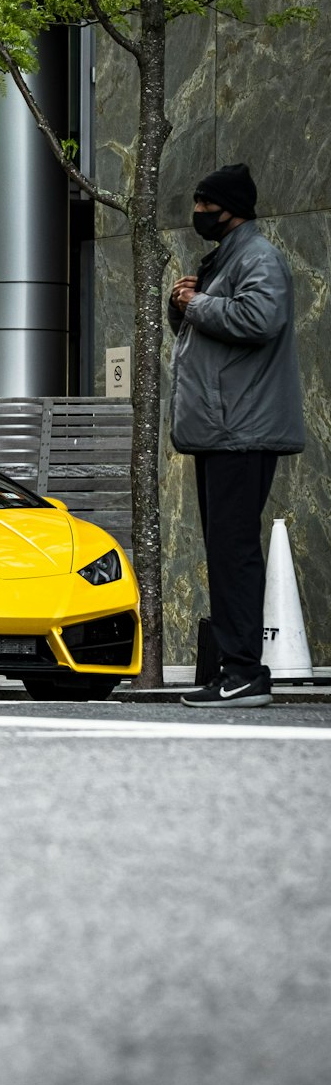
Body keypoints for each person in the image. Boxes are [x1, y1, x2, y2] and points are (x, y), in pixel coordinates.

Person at [168, 162, 304, 708]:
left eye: (205, 204)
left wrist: (194, 304)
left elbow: (258, 319)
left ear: (231, 208)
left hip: (242, 430)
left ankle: (245, 671)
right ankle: (234, 669)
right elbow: (213, 335)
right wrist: (183, 307)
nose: (197, 213)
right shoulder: (227, 258)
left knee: (235, 552)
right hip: (224, 429)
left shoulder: (258, 257)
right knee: (225, 552)